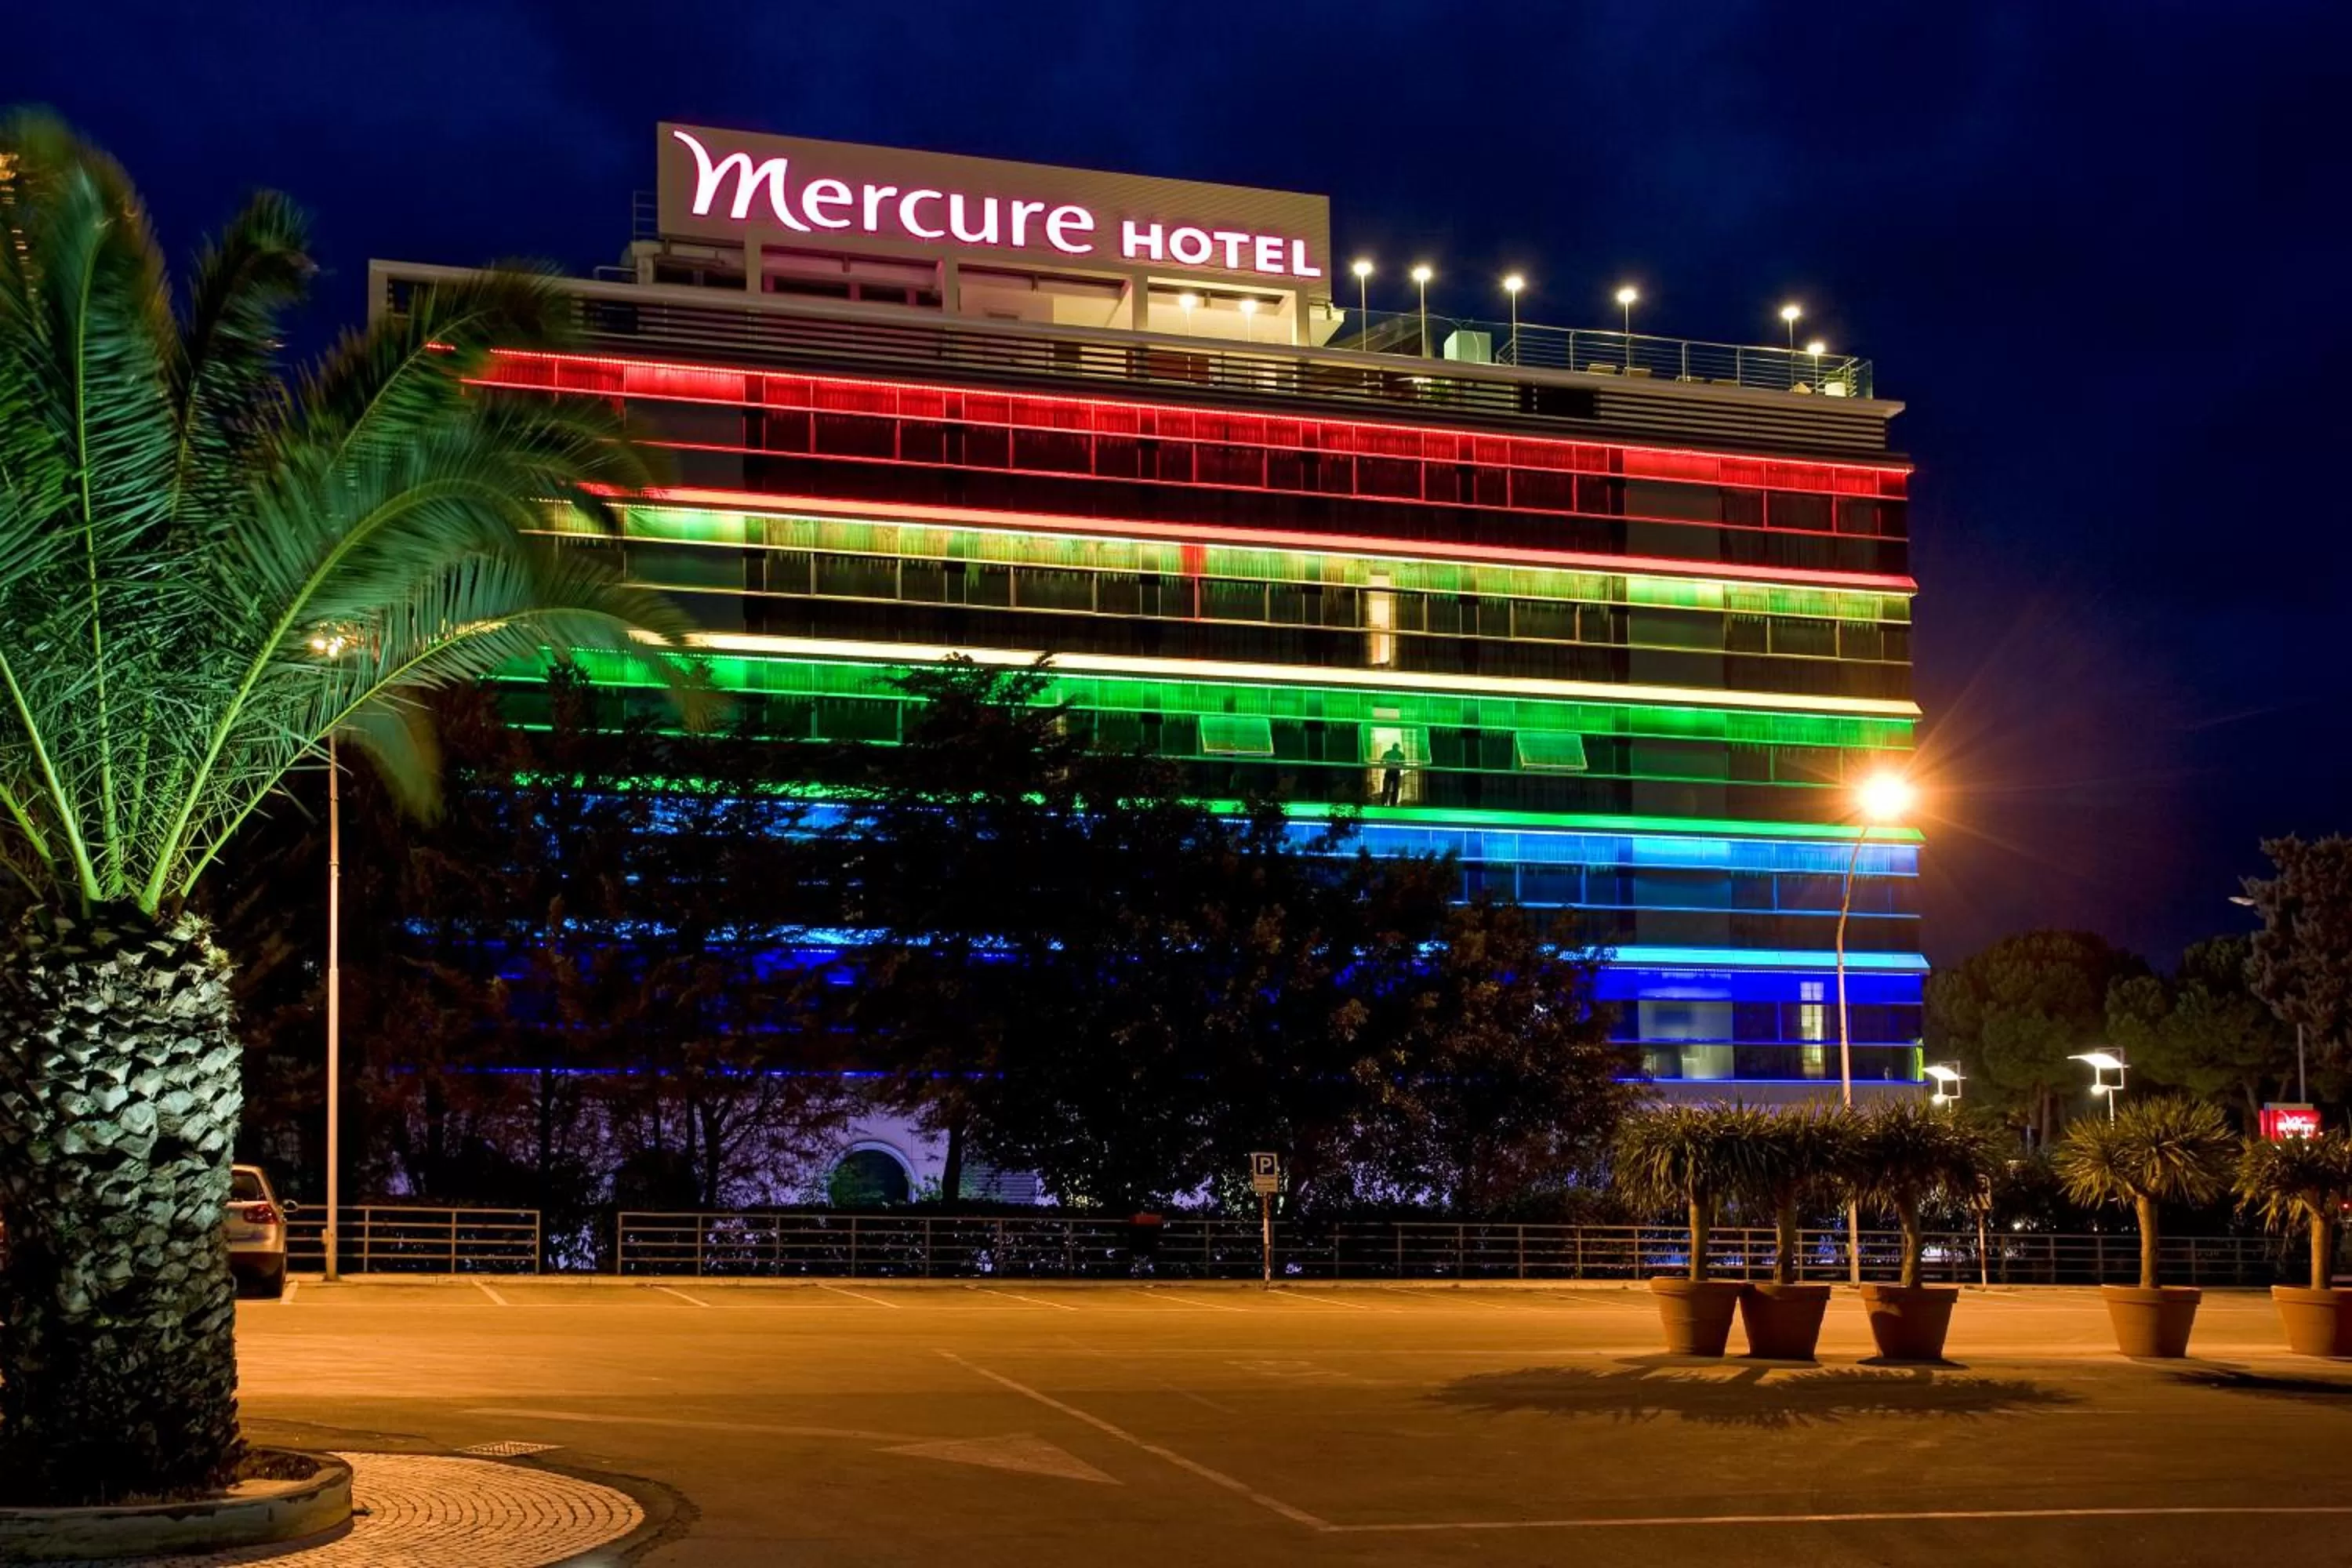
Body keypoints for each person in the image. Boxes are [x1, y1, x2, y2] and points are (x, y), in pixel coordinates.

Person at [1378, 741, 1407, 807]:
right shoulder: (1401, 754)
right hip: (1394, 773)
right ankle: (1392, 804)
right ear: (1398, 747)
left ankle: (1384, 803)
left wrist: (1388, 764)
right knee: (1394, 789)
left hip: (1391, 772)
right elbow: (1403, 765)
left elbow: (1381, 762)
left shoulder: (1388, 753)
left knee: (1387, 788)